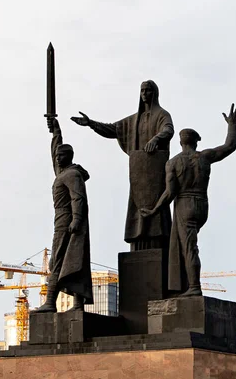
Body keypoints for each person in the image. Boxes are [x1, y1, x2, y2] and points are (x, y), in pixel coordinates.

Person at [141, 103, 236, 296]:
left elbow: (170, 193)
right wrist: (232, 125)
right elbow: (230, 146)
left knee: (189, 248)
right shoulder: (204, 157)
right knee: (189, 245)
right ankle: (188, 284)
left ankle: (194, 287)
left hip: (185, 206)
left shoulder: (173, 163)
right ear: (195, 142)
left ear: (181, 143)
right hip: (202, 206)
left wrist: (154, 210)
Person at [71, 80, 174, 251]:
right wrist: (91, 124)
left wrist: (156, 139)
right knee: (137, 210)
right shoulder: (134, 119)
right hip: (138, 174)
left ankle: (158, 243)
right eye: (142, 91)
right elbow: (113, 130)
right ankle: (138, 242)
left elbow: (168, 130)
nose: (144, 94)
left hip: (155, 175)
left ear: (154, 93)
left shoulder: (162, 115)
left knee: (157, 210)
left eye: (148, 90)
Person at [37, 116, 93, 312]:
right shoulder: (62, 172)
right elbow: (55, 151)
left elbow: (78, 198)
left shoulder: (72, 175)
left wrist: (76, 219)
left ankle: (51, 302)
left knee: (59, 259)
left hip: (67, 220)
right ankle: (77, 304)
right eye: (58, 156)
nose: (57, 158)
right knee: (70, 259)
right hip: (61, 219)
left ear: (69, 157)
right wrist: (56, 132)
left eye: (61, 156)